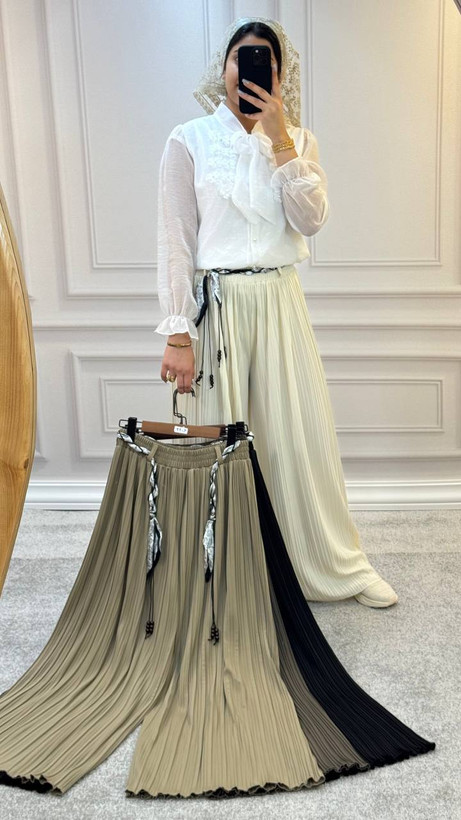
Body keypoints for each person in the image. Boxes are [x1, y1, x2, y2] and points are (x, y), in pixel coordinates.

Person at [155, 17, 398, 609]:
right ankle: (215, 571)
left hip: (281, 301)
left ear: (281, 75)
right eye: (241, 57)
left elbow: (310, 221)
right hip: (218, 308)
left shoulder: (299, 142)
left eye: (265, 59)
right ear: (224, 68)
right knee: (218, 440)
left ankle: (334, 564)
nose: (251, 69)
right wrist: (178, 334)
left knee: (299, 436)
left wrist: (280, 137)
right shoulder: (189, 139)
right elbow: (175, 242)